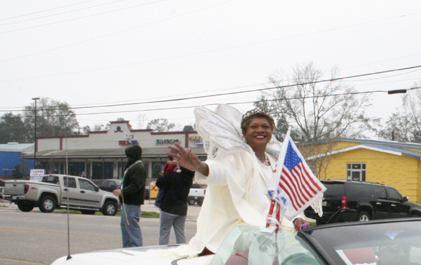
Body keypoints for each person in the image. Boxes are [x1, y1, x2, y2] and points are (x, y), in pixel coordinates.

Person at [167, 105, 306, 256]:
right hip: (243, 224)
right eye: (254, 127)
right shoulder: (238, 156)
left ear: (271, 133)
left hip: (275, 224)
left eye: (265, 127)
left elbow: (286, 194)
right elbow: (222, 172)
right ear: (245, 132)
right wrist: (200, 166)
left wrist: (297, 218)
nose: (260, 130)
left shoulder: (276, 160)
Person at [113, 145, 146, 248]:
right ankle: (127, 248)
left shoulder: (138, 167)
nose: (127, 158)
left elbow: (136, 186)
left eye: (128, 156)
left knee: (132, 227)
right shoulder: (132, 166)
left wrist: (122, 192)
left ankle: (136, 248)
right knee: (125, 226)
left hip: (132, 203)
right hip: (126, 202)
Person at [155, 163, 194, 245]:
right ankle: (182, 250)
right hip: (182, 210)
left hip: (168, 208)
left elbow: (159, 183)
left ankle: (162, 250)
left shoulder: (171, 176)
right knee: (180, 233)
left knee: (164, 232)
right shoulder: (189, 179)